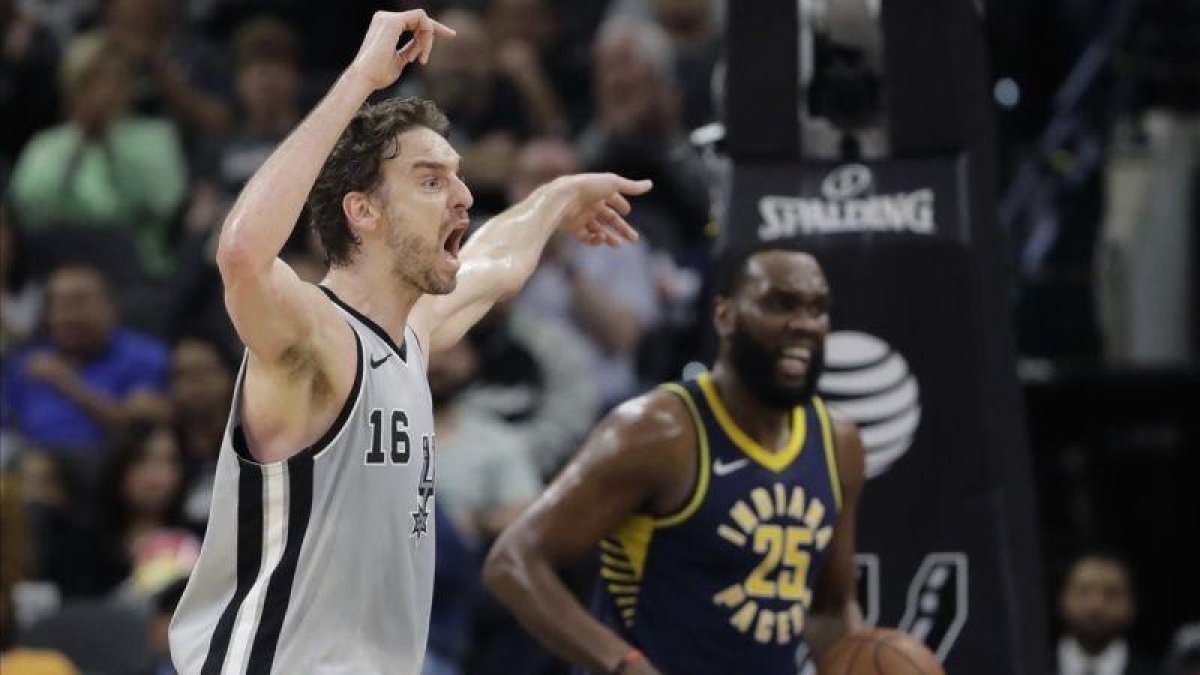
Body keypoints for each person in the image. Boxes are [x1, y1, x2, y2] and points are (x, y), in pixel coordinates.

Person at [168, 11, 651, 674]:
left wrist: (558, 197)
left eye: (457, 177)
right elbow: (244, 252)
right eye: (431, 180)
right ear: (362, 210)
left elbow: (493, 264)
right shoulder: (315, 335)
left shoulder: (412, 337)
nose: (461, 195)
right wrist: (363, 79)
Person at [485, 245, 866, 675]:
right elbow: (513, 562)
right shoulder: (657, 432)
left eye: (817, 309)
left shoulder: (839, 442)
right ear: (724, 317)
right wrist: (623, 663)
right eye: (780, 304)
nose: (803, 324)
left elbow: (831, 611)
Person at [0, 265, 170, 455]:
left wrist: (67, 383)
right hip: (33, 469)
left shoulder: (143, 356)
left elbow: (139, 429)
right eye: (59, 305)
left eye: (78, 303)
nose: (68, 316)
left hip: (109, 469)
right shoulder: (29, 360)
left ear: (110, 308)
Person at [1056, 552, 1157, 675]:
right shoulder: (1032, 664)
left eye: (1111, 594)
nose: (1095, 606)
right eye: (1083, 592)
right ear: (1062, 597)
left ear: (1131, 604)